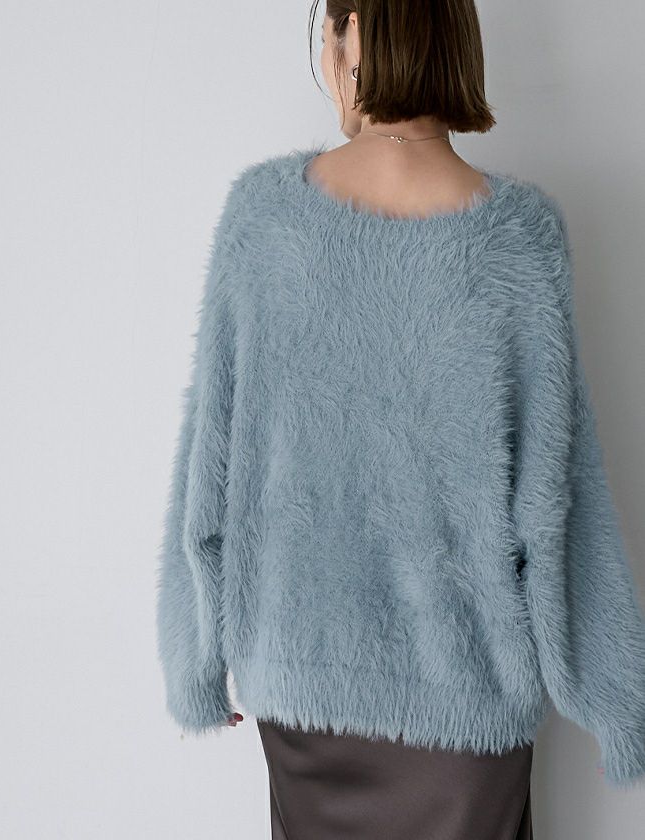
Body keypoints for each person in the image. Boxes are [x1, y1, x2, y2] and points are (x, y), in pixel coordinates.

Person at [155, 2, 645, 837]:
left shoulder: (263, 220)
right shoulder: (518, 239)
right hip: (469, 708)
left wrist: (195, 661)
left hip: (304, 696)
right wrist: (611, 697)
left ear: (353, 37)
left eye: (327, 29)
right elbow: (556, 500)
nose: (325, 54)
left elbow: (212, 469)